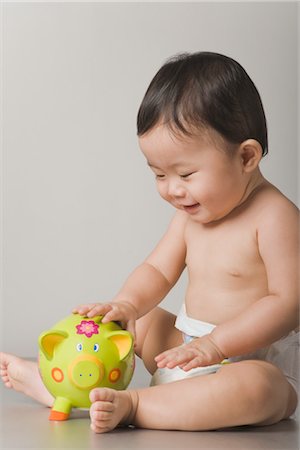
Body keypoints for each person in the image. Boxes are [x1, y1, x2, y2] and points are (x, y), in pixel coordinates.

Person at [1, 52, 299, 433]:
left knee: (260, 388)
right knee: (134, 324)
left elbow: (287, 304)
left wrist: (217, 345)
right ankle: (67, 389)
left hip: (245, 362)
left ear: (246, 157)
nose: (173, 189)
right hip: (183, 350)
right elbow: (157, 270)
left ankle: (136, 405)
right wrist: (127, 305)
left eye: (186, 173)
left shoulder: (276, 217)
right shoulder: (192, 215)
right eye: (159, 174)